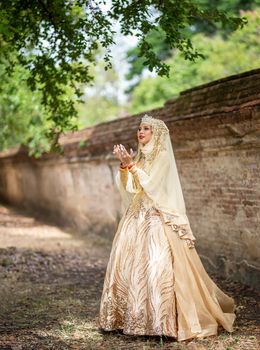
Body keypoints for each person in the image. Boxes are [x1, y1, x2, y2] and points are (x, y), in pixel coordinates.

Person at [97, 114, 236, 341]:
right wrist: (125, 166)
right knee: (129, 266)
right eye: (139, 128)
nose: (140, 132)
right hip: (136, 218)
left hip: (157, 220)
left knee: (156, 264)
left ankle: (160, 321)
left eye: (146, 129)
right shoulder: (140, 158)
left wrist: (132, 165)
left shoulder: (162, 156)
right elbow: (133, 189)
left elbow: (152, 186)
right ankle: (127, 317)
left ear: (157, 133)